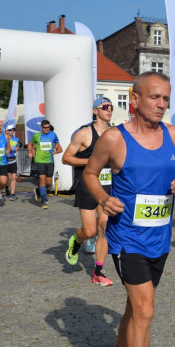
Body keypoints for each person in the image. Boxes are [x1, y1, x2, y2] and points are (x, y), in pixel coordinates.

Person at [81, 72, 175, 347]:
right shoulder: (115, 138)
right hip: (127, 238)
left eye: (166, 99)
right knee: (145, 309)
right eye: (155, 98)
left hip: (159, 238)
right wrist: (103, 198)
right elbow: (88, 173)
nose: (162, 105)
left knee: (135, 308)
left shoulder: (174, 135)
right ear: (136, 99)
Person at [62, 97, 116, 287]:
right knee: (90, 231)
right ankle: (76, 241)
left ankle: (98, 271)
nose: (109, 110)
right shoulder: (84, 133)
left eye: (111, 107)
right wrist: (92, 163)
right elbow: (66, 158)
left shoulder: (115, 133)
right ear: (95, 111)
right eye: (105, 107)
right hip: (87, 186)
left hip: (107, 187)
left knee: (103, 229)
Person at [30, 119, 61, 208]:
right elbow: (30, 144)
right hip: (40, 161)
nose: (46, 129)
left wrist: (56, 149)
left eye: (48, 127)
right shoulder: (37, 135)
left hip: (50, 161)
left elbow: (57, 144)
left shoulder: (53, 135)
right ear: (42, 127)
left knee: (48, 183)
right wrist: (31, 153)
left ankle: (39, 190)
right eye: (45, 127)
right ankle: (44, 201)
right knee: (42, 180)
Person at [4, 124, 20, 201]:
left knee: (13, 177)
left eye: (13, 130)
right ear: (6, 131)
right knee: (8, 178)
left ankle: (12, 194)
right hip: (5, 161)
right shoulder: (3, 139)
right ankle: (6, 188)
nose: (12, 131)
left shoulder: (16, 139)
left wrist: (17, 147)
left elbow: (18, 145)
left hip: (13, 160)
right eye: (10, 130)